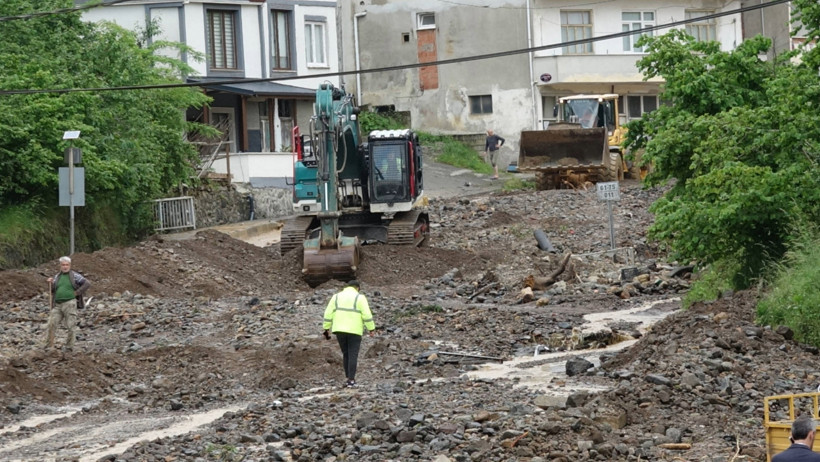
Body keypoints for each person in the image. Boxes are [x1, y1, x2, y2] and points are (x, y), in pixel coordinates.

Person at [322, 280, 375, 388]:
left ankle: (347, 378)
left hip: (339, 330)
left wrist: (326, 328)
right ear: (357, 288)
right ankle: (351, 380)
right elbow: (366, 315)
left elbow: (328, 313)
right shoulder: (360, 298)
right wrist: (371, 329)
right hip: (354, 330)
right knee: (353, 354)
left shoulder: (336, 297)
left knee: (346, 354)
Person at [45, 256, 90, 351]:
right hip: (57, 305)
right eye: (63, 265)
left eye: (67, 265)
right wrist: (51, 283)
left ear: (70, 265)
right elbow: (53, 290)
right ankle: (49, 346)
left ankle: (69, 347)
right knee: (51, 323)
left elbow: (87, 283)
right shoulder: (57, 276)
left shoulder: (74, 275)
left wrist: (77, 293)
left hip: (70, 303)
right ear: (60, 266)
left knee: (71, 325)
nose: (65, 267)